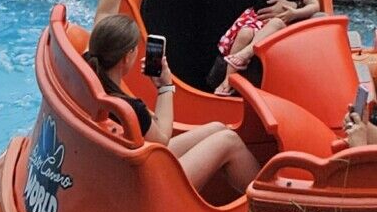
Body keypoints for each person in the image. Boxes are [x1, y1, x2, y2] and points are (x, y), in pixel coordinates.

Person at [83, 11, 260, 199]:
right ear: (127, 57)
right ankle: (270, 206)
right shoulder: (130, 109)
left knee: (218, 128)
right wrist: (165, 86)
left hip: (123, 170)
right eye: (136, 49)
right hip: (148, 190)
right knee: (228, 141)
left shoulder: (86, 71)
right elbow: (162, 140)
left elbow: (104, 10)